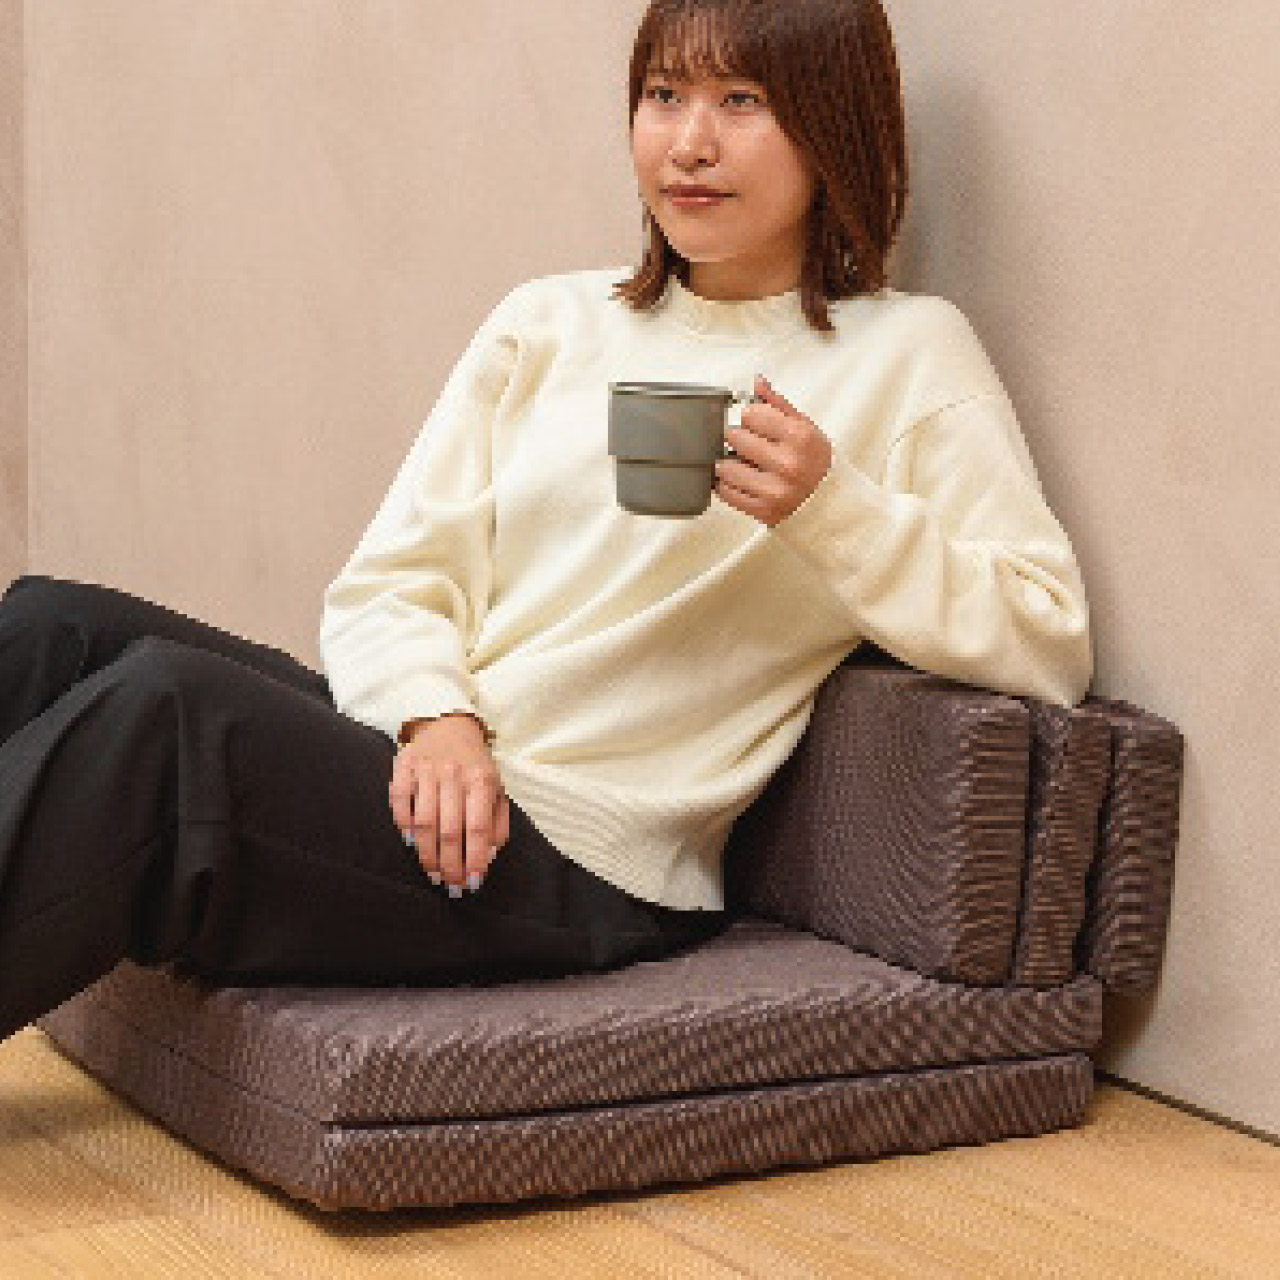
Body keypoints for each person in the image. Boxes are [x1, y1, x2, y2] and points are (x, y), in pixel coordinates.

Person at [0, 0, 1091, 1045]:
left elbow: (1046, 636)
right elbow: (393, 580)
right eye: (663, 94)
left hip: (575, 856)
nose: (689, 143)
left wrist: (832, 511)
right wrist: (436, 718)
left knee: (167, 710)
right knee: (50, 623)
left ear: (832, 123)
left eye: (741, 100)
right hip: (443, 771)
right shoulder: (550, 320)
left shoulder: (905, 353)